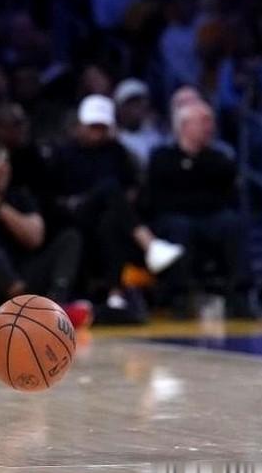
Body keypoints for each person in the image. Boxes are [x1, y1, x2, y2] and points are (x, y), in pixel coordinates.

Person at [50, 95, 183, 323]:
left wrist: (121, 203)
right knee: (109, 187)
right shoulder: (64, 153)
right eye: (93, 126)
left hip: (108, 218)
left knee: (111, 220)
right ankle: (150, 244)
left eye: (102, 127)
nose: (98, 133)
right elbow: (52, 195)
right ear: (80, 125)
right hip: (74, 215)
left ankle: (115, 295)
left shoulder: (117, 152)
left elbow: (132, 189)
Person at [0, 148, 88, 329]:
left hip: (20, 273)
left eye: (6, 163)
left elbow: (35, 238)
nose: (3, 169)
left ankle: (55, 305)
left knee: (70, 238)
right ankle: (29, 308)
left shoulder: (18, 196)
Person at [147, 100, 254, 319]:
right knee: (179, 227)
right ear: (184, 126)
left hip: (210, 218)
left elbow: (227, 196)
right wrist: (198, 198)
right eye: (204, 121)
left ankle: (239, 295)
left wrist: (193, 196)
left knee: (233, 224)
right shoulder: (162, 157)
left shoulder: (219, 159)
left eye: (211, 121)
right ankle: (179, 296)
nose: (210, 127)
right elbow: (160, 199)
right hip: (175, 219)